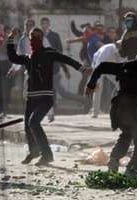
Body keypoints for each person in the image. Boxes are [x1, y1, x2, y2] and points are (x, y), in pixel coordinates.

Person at [6, 28, 91, 166]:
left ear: (42, 37)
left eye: (36, 36)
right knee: (28, 125)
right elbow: (13, 57)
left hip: (45, 97)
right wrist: (11, 38)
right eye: (31, 37)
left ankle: (47, 155)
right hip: (31, 98)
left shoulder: (49, 53)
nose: (33, 39)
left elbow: (66, 59)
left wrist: (82, 69)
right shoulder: (29, 58)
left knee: (34, 123)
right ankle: (34, 151)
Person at [86, 52, 137, 177]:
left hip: (120, 108)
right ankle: (131, 169)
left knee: (126, 134)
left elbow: (101, 66)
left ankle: (114, 160)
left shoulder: (125, 66)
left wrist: (91, 84)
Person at [40, 17, 87, 121]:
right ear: (41, 25)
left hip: (54, 69)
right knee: (49, 92)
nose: (44, 25)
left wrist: (65, 69)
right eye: (42, 24)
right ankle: (51, 113)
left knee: (62, 93)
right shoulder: (38, 36)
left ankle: (85, 100)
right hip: (42, 69)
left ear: (48, 24)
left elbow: (59, 53)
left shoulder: (54, 36)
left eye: (46, 23)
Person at [90, 40, 126, 118]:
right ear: (116, 46)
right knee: (98, 88)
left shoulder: (122, 51)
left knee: (121, 85)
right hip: (99, 67)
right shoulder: (106, 50)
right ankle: (95, 112)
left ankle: (123, 109)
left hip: (111, 68)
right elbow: (98, 66)